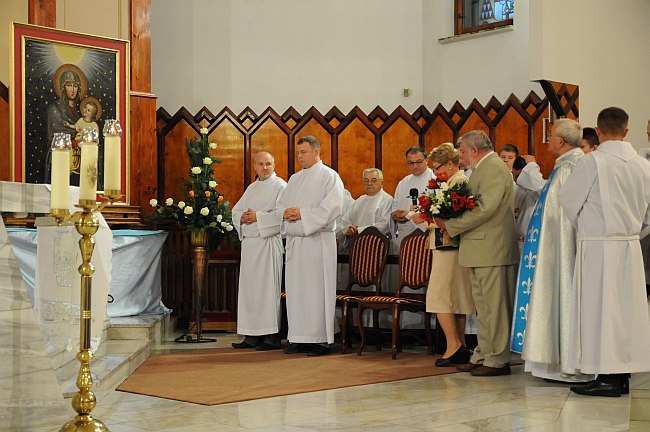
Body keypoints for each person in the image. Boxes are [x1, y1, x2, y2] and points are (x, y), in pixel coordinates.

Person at [560, 107, 650, 397]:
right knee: (625, 313)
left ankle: (607, 377)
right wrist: (631, 233)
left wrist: (590, 229)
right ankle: (620, 374)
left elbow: (569, 202)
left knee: (600, 310)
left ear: (597, 131)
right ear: (626, 130)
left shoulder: (592, 162)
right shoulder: (643, 165)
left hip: (598, 247)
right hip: (630, 246)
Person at [511, 118, 593, 383]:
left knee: (562, 293)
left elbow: (563, 218)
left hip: (561, 253)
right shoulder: (566, 166)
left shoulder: (572, 168)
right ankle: (552, 360)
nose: (547, 141)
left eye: (549, 136)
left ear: (559, 141)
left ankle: (566, 362)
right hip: (553, 249)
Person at [435, 130, 519, 376]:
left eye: (461, 152)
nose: (460, 157)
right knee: (484, 307)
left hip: (492, 247)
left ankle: (497, 359)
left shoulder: (493, 167)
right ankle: (483, 353)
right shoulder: (482, 167)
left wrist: (449, 225)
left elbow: (485, 208)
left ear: (474, 149)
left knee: (494, 307)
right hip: (481, 247)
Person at [277, 135, 344, 356]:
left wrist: (302, 214)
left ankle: (320, 340)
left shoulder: (329, 176)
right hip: (296, 243)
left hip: (318, 243)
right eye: (297, 153)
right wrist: (286, 213)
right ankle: (298, 337)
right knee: (297, 291)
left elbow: (333, 207)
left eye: (303, 152)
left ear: (316, 152)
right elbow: (282, 206)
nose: (299, 156)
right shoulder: (294, 179)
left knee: (316, 290)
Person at [414, 143, 474, 367]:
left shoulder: (458, 181)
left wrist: (428, 218)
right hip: (447, 247)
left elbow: (453, 217)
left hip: (450, 247)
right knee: (453, 299)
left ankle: (454, 346)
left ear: (450, 163)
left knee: (439, 298)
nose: (435, 172)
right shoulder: (449, 181)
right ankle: (458, 345)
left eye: (437, 167)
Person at [231, 151, 287, 351]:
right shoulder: (252, 187)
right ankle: (251, 335)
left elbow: (281, 215)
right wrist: (242, 218)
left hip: (268, 243)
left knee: (267, 290)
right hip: (250, 246)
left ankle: (271, 336)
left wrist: (256, 218)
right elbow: (236, 211)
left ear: (274, 165)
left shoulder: (281, 186)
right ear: (254, 166)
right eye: (261, 164)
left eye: (268, 164)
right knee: (250, 291)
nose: (264, 167)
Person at [339, 168, 392, 252]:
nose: (369, 184)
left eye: (374, 180)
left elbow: (385, 225)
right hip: (357, 246)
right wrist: (349, 230)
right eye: (366, 181)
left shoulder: (387, 200)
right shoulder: (359, 201)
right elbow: (345, 220)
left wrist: (359, 230)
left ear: (381, 183)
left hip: (377, 246)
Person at [46, 67, 84, 183]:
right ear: (63, 87)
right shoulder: (55, 108)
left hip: (80, 158)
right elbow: (53, 137)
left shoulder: (82, 110)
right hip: (62, 157)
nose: (73, 90)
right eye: (69, 85)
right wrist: (74, 142)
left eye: (75, 86)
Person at [390, 147, 434, 243]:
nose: (415, 166)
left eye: (418, 162)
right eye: (411, 163)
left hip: (426, 233)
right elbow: (394, 208)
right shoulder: (403, 183)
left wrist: (412, 215)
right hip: (405, 234)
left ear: (426, 160)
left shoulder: (435, 180)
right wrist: (396, 215)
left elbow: (438, 210)